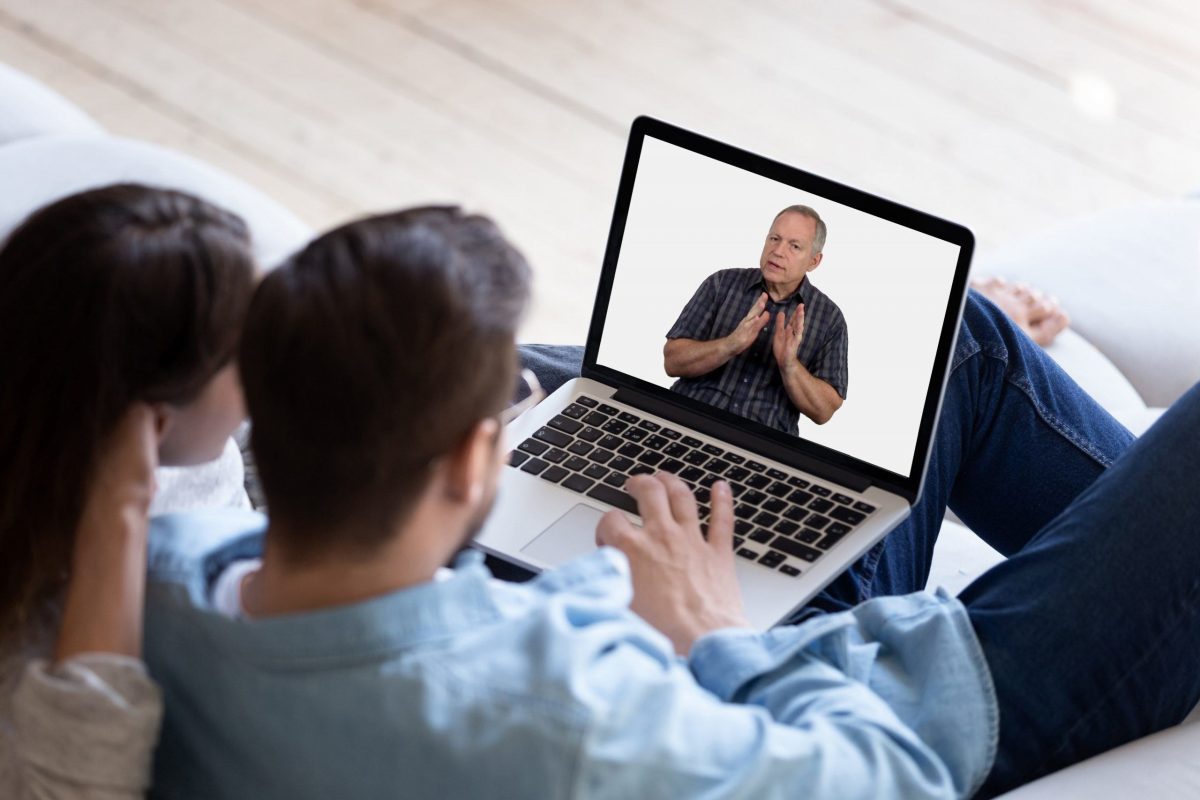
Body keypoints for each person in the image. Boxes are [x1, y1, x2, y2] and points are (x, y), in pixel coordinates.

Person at [143, 206, 1200, 799]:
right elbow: (892, 776)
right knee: (966, 348)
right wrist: (709, 630)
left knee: (947, 343)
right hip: (908, 690)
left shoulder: (160, 583)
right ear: (475, 462)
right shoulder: (571, 726)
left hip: (552, 598)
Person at [0, 184, 256, 798]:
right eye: (245, 350)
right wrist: (119, 512)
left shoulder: (42, 388)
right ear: (151, 420)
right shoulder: (44, 626)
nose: (266, 363)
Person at [664, 205, 847, 433]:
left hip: (761, 443)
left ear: (814, 261)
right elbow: (672, 361)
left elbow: (824, 410)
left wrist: (789, 365)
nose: (778, 251)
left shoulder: (830, 319)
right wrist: (729, 345)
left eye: (795, 246)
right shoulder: (722, 283)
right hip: (686, 420)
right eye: (774, 238)